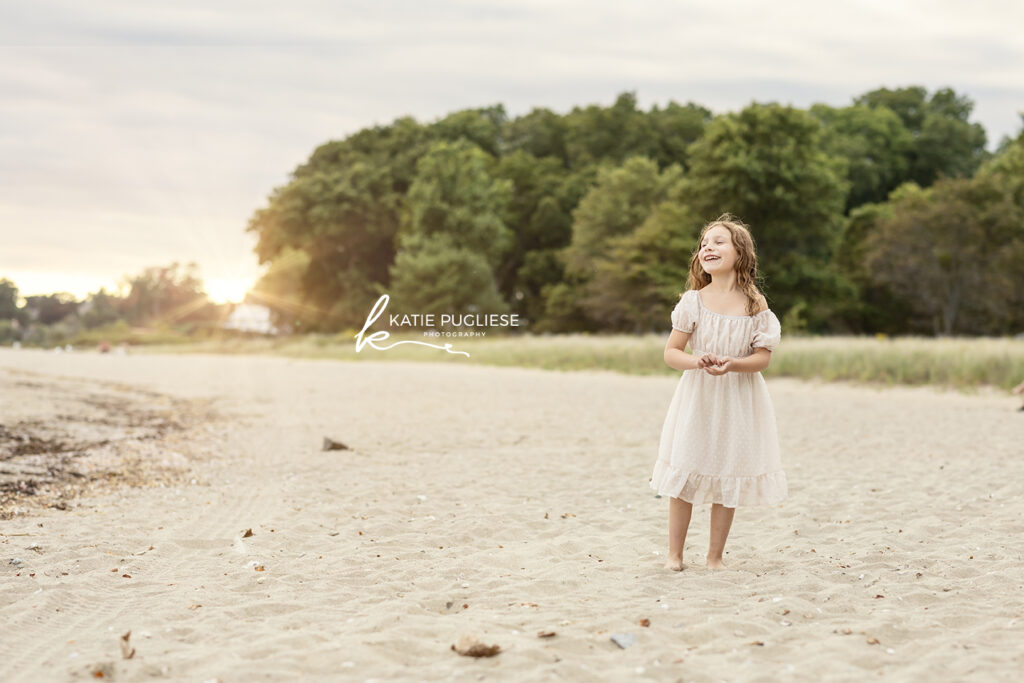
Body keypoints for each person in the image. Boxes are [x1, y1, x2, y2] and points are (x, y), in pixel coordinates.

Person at [649, 213, 788, 571]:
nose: (708, 247)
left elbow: (762, 359)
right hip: (698, 398)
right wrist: (698, 362)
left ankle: (714, 557)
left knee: (729, 472)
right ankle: (674, 556)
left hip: (738, 399)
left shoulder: (756, 305)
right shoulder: (693, 302)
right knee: (685, 470)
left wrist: (733, 364)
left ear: (740, 253)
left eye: (718, 241)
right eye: (703, 244)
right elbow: (671, 353)